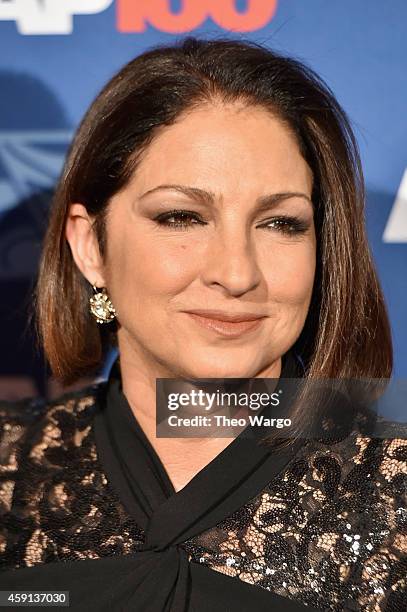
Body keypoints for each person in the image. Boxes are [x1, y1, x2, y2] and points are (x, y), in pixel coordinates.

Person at [0, 36, 405, 612]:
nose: (236, 273)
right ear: (91, 246)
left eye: (280, 224)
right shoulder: (10, 465)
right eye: (181, 217)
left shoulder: (397, 491)